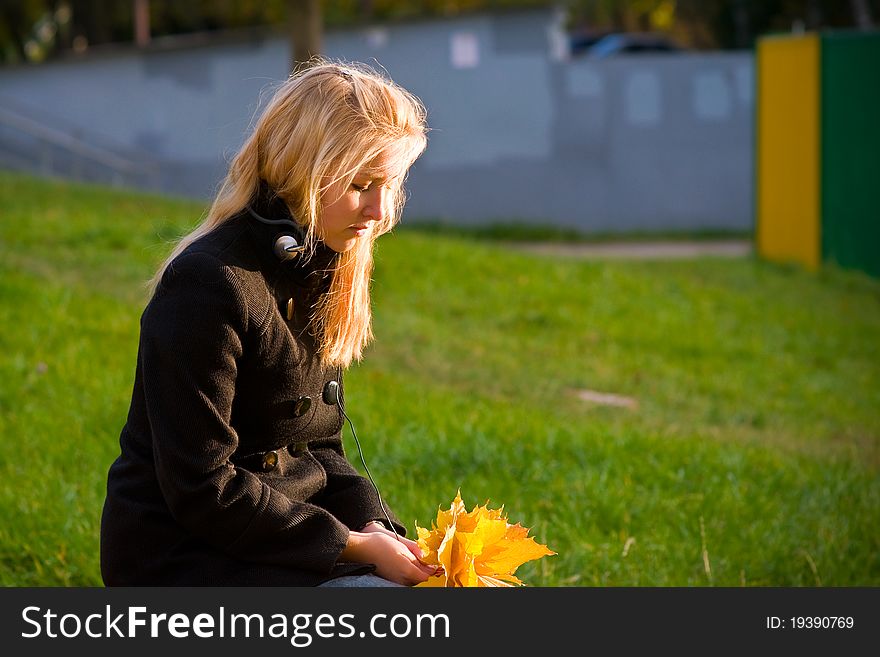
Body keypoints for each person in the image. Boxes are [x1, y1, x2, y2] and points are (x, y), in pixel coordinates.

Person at [100, 61, 436, 587]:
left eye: (389, 185)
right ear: (303, 171)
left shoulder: (319, 264)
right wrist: (350, 547)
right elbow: (201, 485)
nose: (378, 209)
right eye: (360, 184)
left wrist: (378, 528)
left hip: (279, 540)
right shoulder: (209, 284)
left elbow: (316, 446)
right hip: (186, 559)